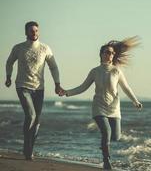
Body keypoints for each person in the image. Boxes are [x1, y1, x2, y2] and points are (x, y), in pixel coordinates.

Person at [61, 36, 142, 170]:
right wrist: (67, 92)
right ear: (101, 54)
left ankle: (104, 144)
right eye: (107, 52)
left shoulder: (117, 71)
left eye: (112, 53)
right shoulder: (95, 71)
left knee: (116, 136)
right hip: (99, 108)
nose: (110, 55)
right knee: (106, 132)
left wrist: (135, 101)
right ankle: (106, 160)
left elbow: (126, 88)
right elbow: (83, 87)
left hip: (114, 108)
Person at [5, 21, 64, 160]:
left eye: (36, 30)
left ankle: (30, 149)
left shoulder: (45, 48)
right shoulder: (18, 48)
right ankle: (27, 148)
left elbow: (53, 67)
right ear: (26, 32)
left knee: (36, 121)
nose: (34, 33)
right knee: (30, 115)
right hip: (22, 86)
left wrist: (57, 84)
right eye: (31, 31)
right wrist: (8, 77)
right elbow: (9, 62)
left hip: (39, 88)